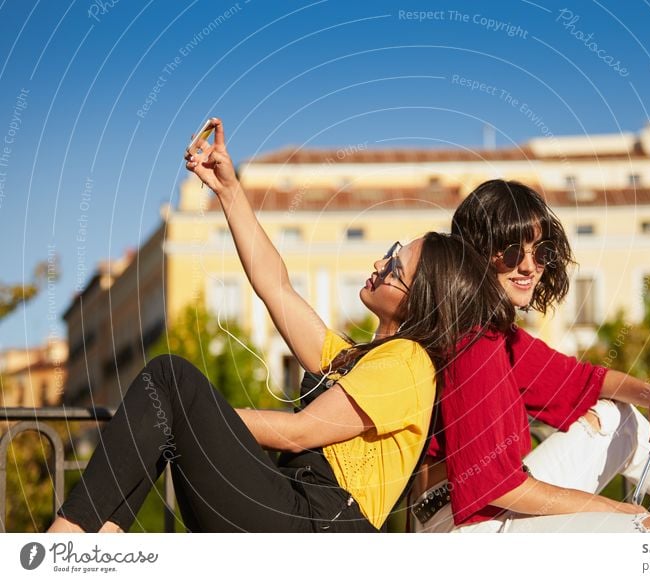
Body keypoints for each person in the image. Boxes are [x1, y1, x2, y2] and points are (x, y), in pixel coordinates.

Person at [47, 119, 512, 533]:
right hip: (297, 510)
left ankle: (69, 537)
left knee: (171, 382)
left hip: (322, 529)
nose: (378, 261)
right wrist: (229, 191)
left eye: (394, 265)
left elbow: (300, 433)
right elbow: (276, 286)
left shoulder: (408, 363)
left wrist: (198, 419)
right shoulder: (358, 358)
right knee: (167, 394)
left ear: (420, 299)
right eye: (390, 250)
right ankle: (99, 538)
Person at [410, 179, 650, 533]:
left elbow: (584, 380)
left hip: (486, 509)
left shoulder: (497, 336)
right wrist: (611, 509)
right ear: (476, 255)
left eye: (540, 251)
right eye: (511, 252)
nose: (529, 266)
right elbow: (493, 485)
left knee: (616, 416)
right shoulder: (470, 344)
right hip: (462, 527)